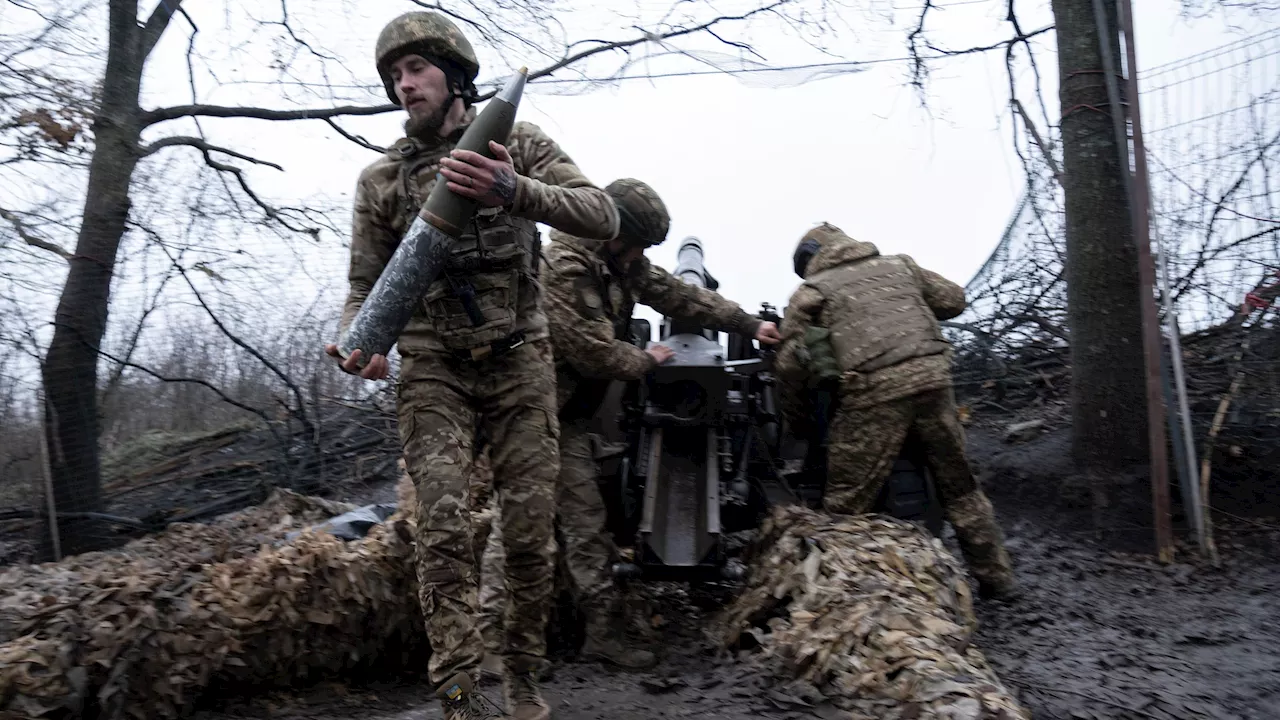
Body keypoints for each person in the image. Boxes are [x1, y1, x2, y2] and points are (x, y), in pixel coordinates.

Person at [325, 11, 620, 720]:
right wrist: (354, 340)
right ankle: (459, 696)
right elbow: (364, 284)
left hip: (522, 360)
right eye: (396, 75)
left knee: (526, 534)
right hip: (433, 366)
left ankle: (521, 677)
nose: (405, 84)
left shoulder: (514, 142)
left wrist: (514, 191)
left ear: (455, 75)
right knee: (443, 531)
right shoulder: (381, 182)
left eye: (417, 69)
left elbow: (601, 214)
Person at [476, 178, 781, 670]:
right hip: (526, 411)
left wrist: (751, 325)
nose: (641, 253)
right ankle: (488, 646)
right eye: (637, 241)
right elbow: (592, 351)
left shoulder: (623, 263)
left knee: (586, 526)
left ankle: (602, 634)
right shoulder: (565, 267)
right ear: (611, 227)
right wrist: (645, 359)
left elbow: (685, 298)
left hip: (566, 418)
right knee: (518, 529)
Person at [774, 222, 1016, 600]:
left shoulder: (811, 293)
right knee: (960, 488)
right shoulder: (900, 265)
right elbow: (953, 299)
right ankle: (997, 580)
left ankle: (837, 597)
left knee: (845, 504)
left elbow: (790, 366)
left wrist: (798, 422)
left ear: (809, 261)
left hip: (872, 394)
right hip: (934, 383)